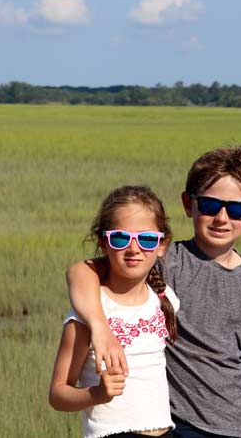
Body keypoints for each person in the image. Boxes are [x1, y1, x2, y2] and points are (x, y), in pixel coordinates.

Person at [67, 145, 241, 438]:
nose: (221, 218)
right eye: (208, 205)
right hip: (177, 425)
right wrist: (99, 327)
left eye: (236, 210)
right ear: (188, 204)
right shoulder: (161, 260)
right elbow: (81, 271)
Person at [50, 185, 180, 438]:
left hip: (165, 431)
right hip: (112, 433)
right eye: (120, 238)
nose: (134, 249)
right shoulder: (87, 313)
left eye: (147, 239)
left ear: (162, 245)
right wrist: (97, 394)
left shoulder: (165, 299)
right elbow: (57, 394)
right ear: (104, 243)